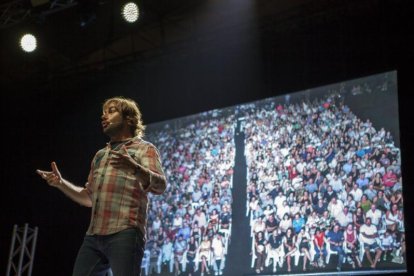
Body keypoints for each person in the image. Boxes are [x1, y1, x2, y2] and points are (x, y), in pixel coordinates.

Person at [36, 97, 167, 276]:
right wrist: (61, 184)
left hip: (125, 233)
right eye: (103, 113)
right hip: (93, 237)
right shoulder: (100, 155)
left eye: (111, 111)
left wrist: (135, 169)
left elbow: (161, 186)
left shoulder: (145, 149)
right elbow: (88, 197)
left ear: (129, 119)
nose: (104, 116)